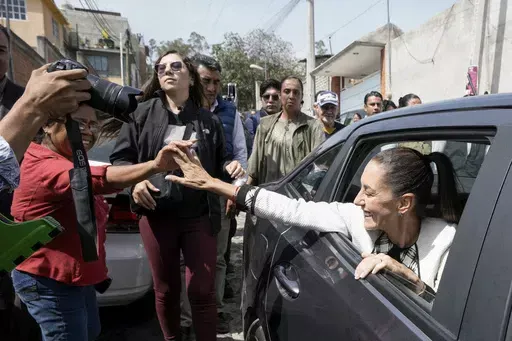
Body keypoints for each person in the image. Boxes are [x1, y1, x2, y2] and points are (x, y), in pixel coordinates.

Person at [167, 145, 461, 299]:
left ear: (404, 203)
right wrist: (214, 184)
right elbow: (290, 208)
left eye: (369, 193)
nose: (357, 200)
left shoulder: (447, 242)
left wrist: (406, 276)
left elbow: (448, 319)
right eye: (360, 188)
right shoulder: (353, 218)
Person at [9, 101, 182, 341]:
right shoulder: (44, 165)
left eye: (93, 125)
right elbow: (97, 179)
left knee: (89, 333)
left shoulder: (69, 159)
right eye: (79, 123)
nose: (88, 131)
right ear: (48, 124)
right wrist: (154, 166)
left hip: (76, 279)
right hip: (51, 281)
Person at [110, 50, 242, 341]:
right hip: (158, 216)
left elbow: (220, 165)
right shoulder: (141, 115)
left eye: (175, 65)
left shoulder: (208, 120)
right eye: (161, 67)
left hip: (200, 216)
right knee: (166, 289)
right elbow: (120, 160)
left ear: (189, 75)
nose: (167, 70)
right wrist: (135, 184)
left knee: (202, 290)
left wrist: (229, 167)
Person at [190, 54, 247, 335]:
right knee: (189, 260)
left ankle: (216, 311)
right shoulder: (180, 110)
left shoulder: (230, 112)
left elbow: (239, 154)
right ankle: (188, 320)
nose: (212, 88)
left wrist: (234, 191)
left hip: (221, 196)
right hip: (187, 198)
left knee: (219, 258)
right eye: (206, 81)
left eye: (216, 82)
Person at [247, 76, 325, 185]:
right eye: (287, 91)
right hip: (269, 194)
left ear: (302, 96)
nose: (291, 96)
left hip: (298, 197)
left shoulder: (313, 126)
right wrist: (242, 194)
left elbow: (319, 166)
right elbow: (253, 169)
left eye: (296, 92)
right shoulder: (265, 125)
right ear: (280, 95)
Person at [245, 79, 282, 154]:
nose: (270, 100)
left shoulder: (287, 119)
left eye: (275, 97)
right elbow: (251, 151)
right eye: (267, 97)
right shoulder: (252, 121)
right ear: (261, 98)